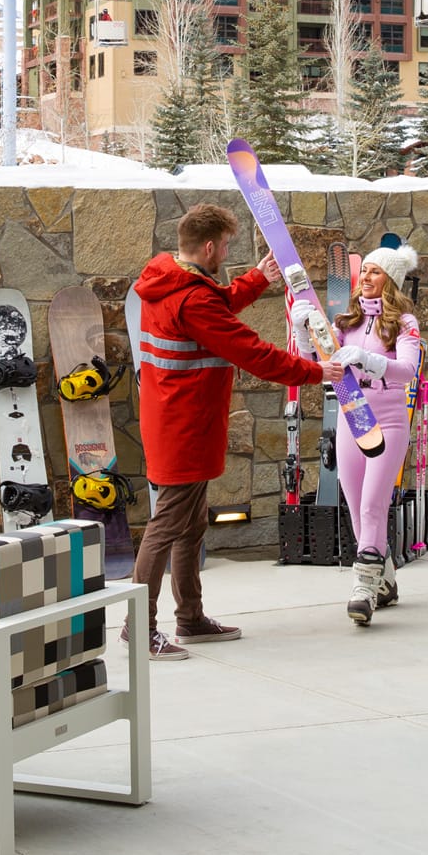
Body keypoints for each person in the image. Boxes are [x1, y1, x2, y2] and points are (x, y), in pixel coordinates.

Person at [130, 204, 334, 660]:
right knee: (168, 525)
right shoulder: (194, 299)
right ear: (208, 247)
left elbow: (214, 305)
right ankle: (137, 629)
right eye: (225, 246)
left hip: (178, 419)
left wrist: (257, 278)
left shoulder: (170, 278)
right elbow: (252, 352)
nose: (227, 252)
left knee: (190, 523)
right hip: (184, 425)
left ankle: (190, 618)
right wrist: (318, 371)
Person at [292, 244, 424, 625]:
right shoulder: (345, 323)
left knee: (372, 505)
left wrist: (369, 360)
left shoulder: (404, 323)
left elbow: (407, 370)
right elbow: (316, 365)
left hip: (389, 420)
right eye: (363, 270)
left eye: (374, 272)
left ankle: (363, 588)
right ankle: (385, 579)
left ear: (391, 281)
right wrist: (304, 333)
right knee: (357, 508)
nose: (364, 278)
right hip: (352, 418)